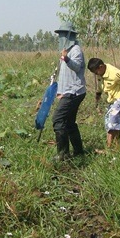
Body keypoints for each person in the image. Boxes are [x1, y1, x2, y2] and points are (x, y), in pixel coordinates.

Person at [51, 21, 86, 160]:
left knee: (58, 119)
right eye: (60, 35)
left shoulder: (75, 50)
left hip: (74, 92)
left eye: (63, 34)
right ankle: (78, 152)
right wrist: (60, 90)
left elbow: (77, 67)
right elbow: (65, 74)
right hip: (67, 91)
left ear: (69, 35)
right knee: (69, 122)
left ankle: (63, 154)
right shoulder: (65, 51)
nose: (61, 37)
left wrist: (66, 58)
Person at [87, 57, 120, 149]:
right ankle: (117, 147)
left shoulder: (115, 73)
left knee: (111, 123)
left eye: (96, 72)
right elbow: (101, 85)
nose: (96, 75)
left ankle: (108, 148)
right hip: (112, 101)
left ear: (101, 67)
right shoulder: (101, 74)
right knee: (110, 122)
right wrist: (98, 94)